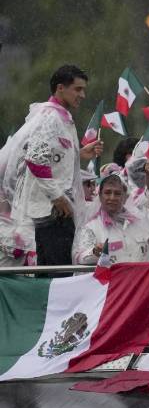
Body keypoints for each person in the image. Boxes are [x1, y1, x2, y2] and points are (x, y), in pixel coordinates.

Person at [0, 65, 103, 269]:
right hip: (53, 212)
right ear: (60, 88)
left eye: (83, 89)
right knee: (58, 275)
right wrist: (58, 197)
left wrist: (78, 154)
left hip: (54, 211)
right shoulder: (50, 117)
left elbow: (51, 158)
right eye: (77, 89)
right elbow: (36, 160)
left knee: (52, 274)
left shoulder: (61, 117)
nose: (82, 95)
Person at [72, 168, 149, 264]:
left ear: (125, 197)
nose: (112, 197)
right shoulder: (92, 226)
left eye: (117, 193)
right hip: (110, 278)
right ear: (100, 196)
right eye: (107, 193)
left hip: (141, 278)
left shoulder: (140, 222)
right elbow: (79, 258)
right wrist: (95, 252)